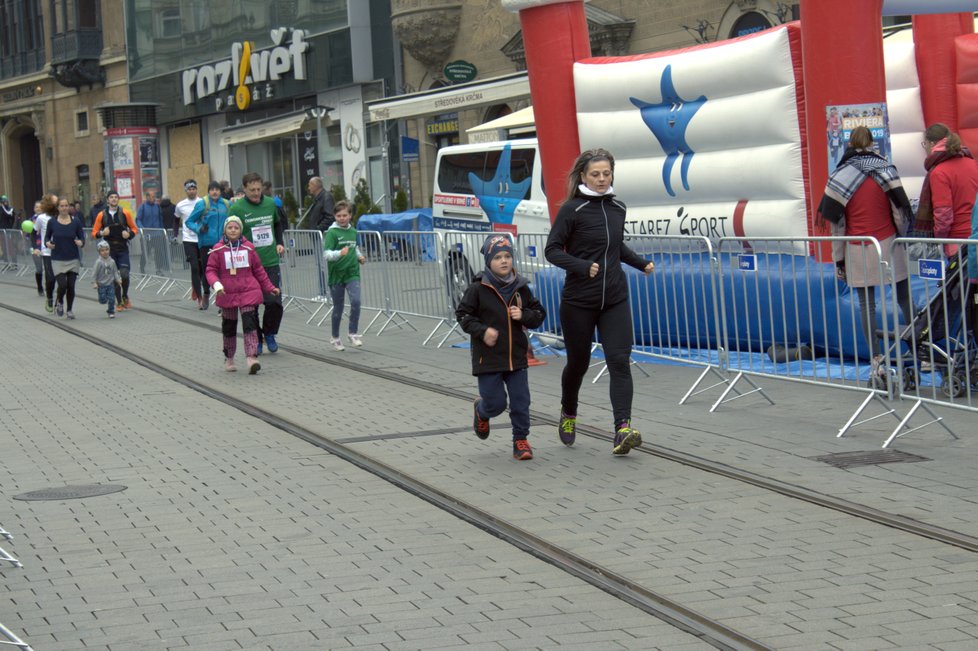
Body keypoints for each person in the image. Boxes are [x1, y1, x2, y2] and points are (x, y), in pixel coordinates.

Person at [544, 148, 655, 455]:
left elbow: (616, 247)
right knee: (578, 364)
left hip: (615, 297)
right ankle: (568, 413)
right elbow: (551, 250)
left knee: (619, 361)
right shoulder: (572, 210)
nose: (602, 179)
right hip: (579, 300)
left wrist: (640, 263)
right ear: (583, 176)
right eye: (596, 174)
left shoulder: (618, 207)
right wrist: (581, 266)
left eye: (607, 174)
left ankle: (622, 429)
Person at [818, 126, 915, 369]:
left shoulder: (839, 176)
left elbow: (837, 226)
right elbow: (900, 213)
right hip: (889, 244)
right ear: (872, 143)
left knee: (866, 305)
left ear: (849, 144)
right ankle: (920, 350)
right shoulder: (886, 170)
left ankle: (876, 357)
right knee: (904, 298)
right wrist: (902, 238)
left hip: (857, 248)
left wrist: (838, 260)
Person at [456, 234, 546, 460]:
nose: (504, 261)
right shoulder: (478, 288)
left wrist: (523, 315)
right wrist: (482, 331)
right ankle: (482, 411)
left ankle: (521, 440)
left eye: (507, 256)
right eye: (498, 257)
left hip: (516, 357)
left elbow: (538, 314)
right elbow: (463, 315)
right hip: (489, 359)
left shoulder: (521, 287)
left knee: (520, 401)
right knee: (496, 404)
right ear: (488, 261)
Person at [205, 216, 280, 374]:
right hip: (227, 294)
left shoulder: (249, 248)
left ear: (241, 230)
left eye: (236, 228)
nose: (233, 230)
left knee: (250, 325)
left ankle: (252, 357)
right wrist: (217, 285)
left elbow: (259, 271)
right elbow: (210, 270)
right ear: (225, 230)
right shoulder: (218, 250)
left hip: (248, 292)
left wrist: (270, 287)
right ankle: (229, 357)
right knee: (229, 328)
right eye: (230, 227)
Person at [229, 171, 286, 354]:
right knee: (250, 305)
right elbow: (230, 232)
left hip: (270, 261)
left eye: (258, 189)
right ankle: (257, 337)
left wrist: (279, 242)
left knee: (274, 302)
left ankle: (269, 332)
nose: (255, 193)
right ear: (244, 189)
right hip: (247, 265)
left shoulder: (270, 204)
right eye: (252, 190)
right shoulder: (237, 209)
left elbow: (278, 224)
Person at [915, 123, 978, 258]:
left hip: (956, 240)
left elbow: (943, 214)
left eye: (924, 144)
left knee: (959, 278)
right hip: (974, 233)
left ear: (932, 144)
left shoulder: (939, 172)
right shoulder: (972, 163)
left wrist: (939, 238)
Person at [322, 200, 366, 351]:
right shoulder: (332, 233)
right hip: (337, 275)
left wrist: (359, 256)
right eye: (339, 215)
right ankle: (335, 337)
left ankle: (353, 333)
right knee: (338, 308)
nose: (342, 218)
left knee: (356, 301)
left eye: (345, 215)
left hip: (352, 273)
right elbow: (326, 254)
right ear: (335, 216)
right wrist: (339, 253)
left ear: (350, 215)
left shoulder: (353, 231)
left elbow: (355, 248)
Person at [184, 181, 230, 309]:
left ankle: (221, 302)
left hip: (222, 243)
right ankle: (206, 292)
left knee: (223, 272)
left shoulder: (226, 204)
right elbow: (189, 221)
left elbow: (233, 218)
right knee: (207, 271)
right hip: (206, 244)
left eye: (217, 190)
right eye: (212, 190)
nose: (215, 192)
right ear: (208, 191)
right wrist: (199, 229)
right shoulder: (203, 204)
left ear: (220, 192)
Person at [91, 190, 138, 310]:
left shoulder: (125, 213)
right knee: (113, 276)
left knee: (124, 274)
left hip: (122, 248)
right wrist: (102, 233)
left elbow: (134, 228)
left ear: (118, 199)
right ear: (107, 200)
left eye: (116, 197)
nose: (113, 199)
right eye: (111, 197)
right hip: (109, 251)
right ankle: (119, 302)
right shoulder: (102, 215)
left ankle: (125, 296)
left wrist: (129, 235)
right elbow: (94, 232)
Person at [45, 197, 86, 319]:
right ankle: (60, 301)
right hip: (58, 259)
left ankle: (69, 310)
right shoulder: (52, 222)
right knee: (62, 285)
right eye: (61, 206)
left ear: (69, 207)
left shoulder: (76, 221)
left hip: (73, 258)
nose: (64, 208)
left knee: (71, 286)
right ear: (58, 208)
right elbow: (46, 238)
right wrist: (47, 243)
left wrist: (81, 243)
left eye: (66, 206)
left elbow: (82, 237)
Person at [175, 180, 205, 306]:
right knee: (194, 267)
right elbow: (175, 220)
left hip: (202, 238)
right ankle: (199, 297)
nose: (191, 191)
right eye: (189, 189)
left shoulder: (203, 202)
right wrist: (175, 235)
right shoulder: (180, 205)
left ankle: (196, 285)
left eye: (193, 189)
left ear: (196, 189)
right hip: (188, 239)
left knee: (203, 268)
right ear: (185, 190)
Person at [33, 195, 56, 311]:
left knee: (61, 279)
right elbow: (34, 231)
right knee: (50, 278)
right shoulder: (41, 218)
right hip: (46, 252)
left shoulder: (61, 217)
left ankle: (60, 300)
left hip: (60, 251)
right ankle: (50, 297)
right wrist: (35, 247)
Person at [136, 190, 165, 274]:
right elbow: (138, 220)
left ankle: (158, 269)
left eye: (154, 197)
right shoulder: (143, 207)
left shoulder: (157, 207)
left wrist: (162, 231)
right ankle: (142, 268)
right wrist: (142, 228)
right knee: (146, 252)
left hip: (157, 234)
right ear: (147, 197)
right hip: (146, 235)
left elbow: (160, 220)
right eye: (152, 197)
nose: (154, 198)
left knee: (159, 252)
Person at [91, 240, 122, 318]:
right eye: (102, 251)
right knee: (102, 300)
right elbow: (94, 273)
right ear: (99, 252)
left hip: (110, 283)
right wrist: (94, 282)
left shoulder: (112, 261)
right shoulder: (98, 262)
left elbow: (115, 272)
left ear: (109, 250)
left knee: (112, 299)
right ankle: (103, 299)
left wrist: (117, 279)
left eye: (107, 250)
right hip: (101, 284)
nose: (105, 252)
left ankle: (111, 311)